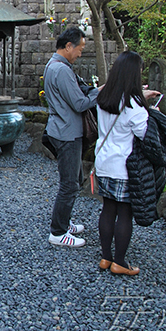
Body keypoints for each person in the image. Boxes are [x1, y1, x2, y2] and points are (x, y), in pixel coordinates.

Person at [95, 51, 166, 276]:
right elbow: (145, 134)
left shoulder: (104, 95)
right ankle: (120, 262)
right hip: (124, 166)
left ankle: (106, 258)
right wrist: (152, 113)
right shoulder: (134, 104)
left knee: (108, 209)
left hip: (103, 162)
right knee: (125, 213)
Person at [44, 27, 100, 248]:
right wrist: (100, 93)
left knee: (74, 180)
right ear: (68, 46)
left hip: (64, 129)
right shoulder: (62, 70)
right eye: (80, 48)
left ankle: (64, 221)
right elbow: (80, 103)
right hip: (67, 132)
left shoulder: (54, 66)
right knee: (69, 183)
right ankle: (58, 232)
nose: (80, 53)